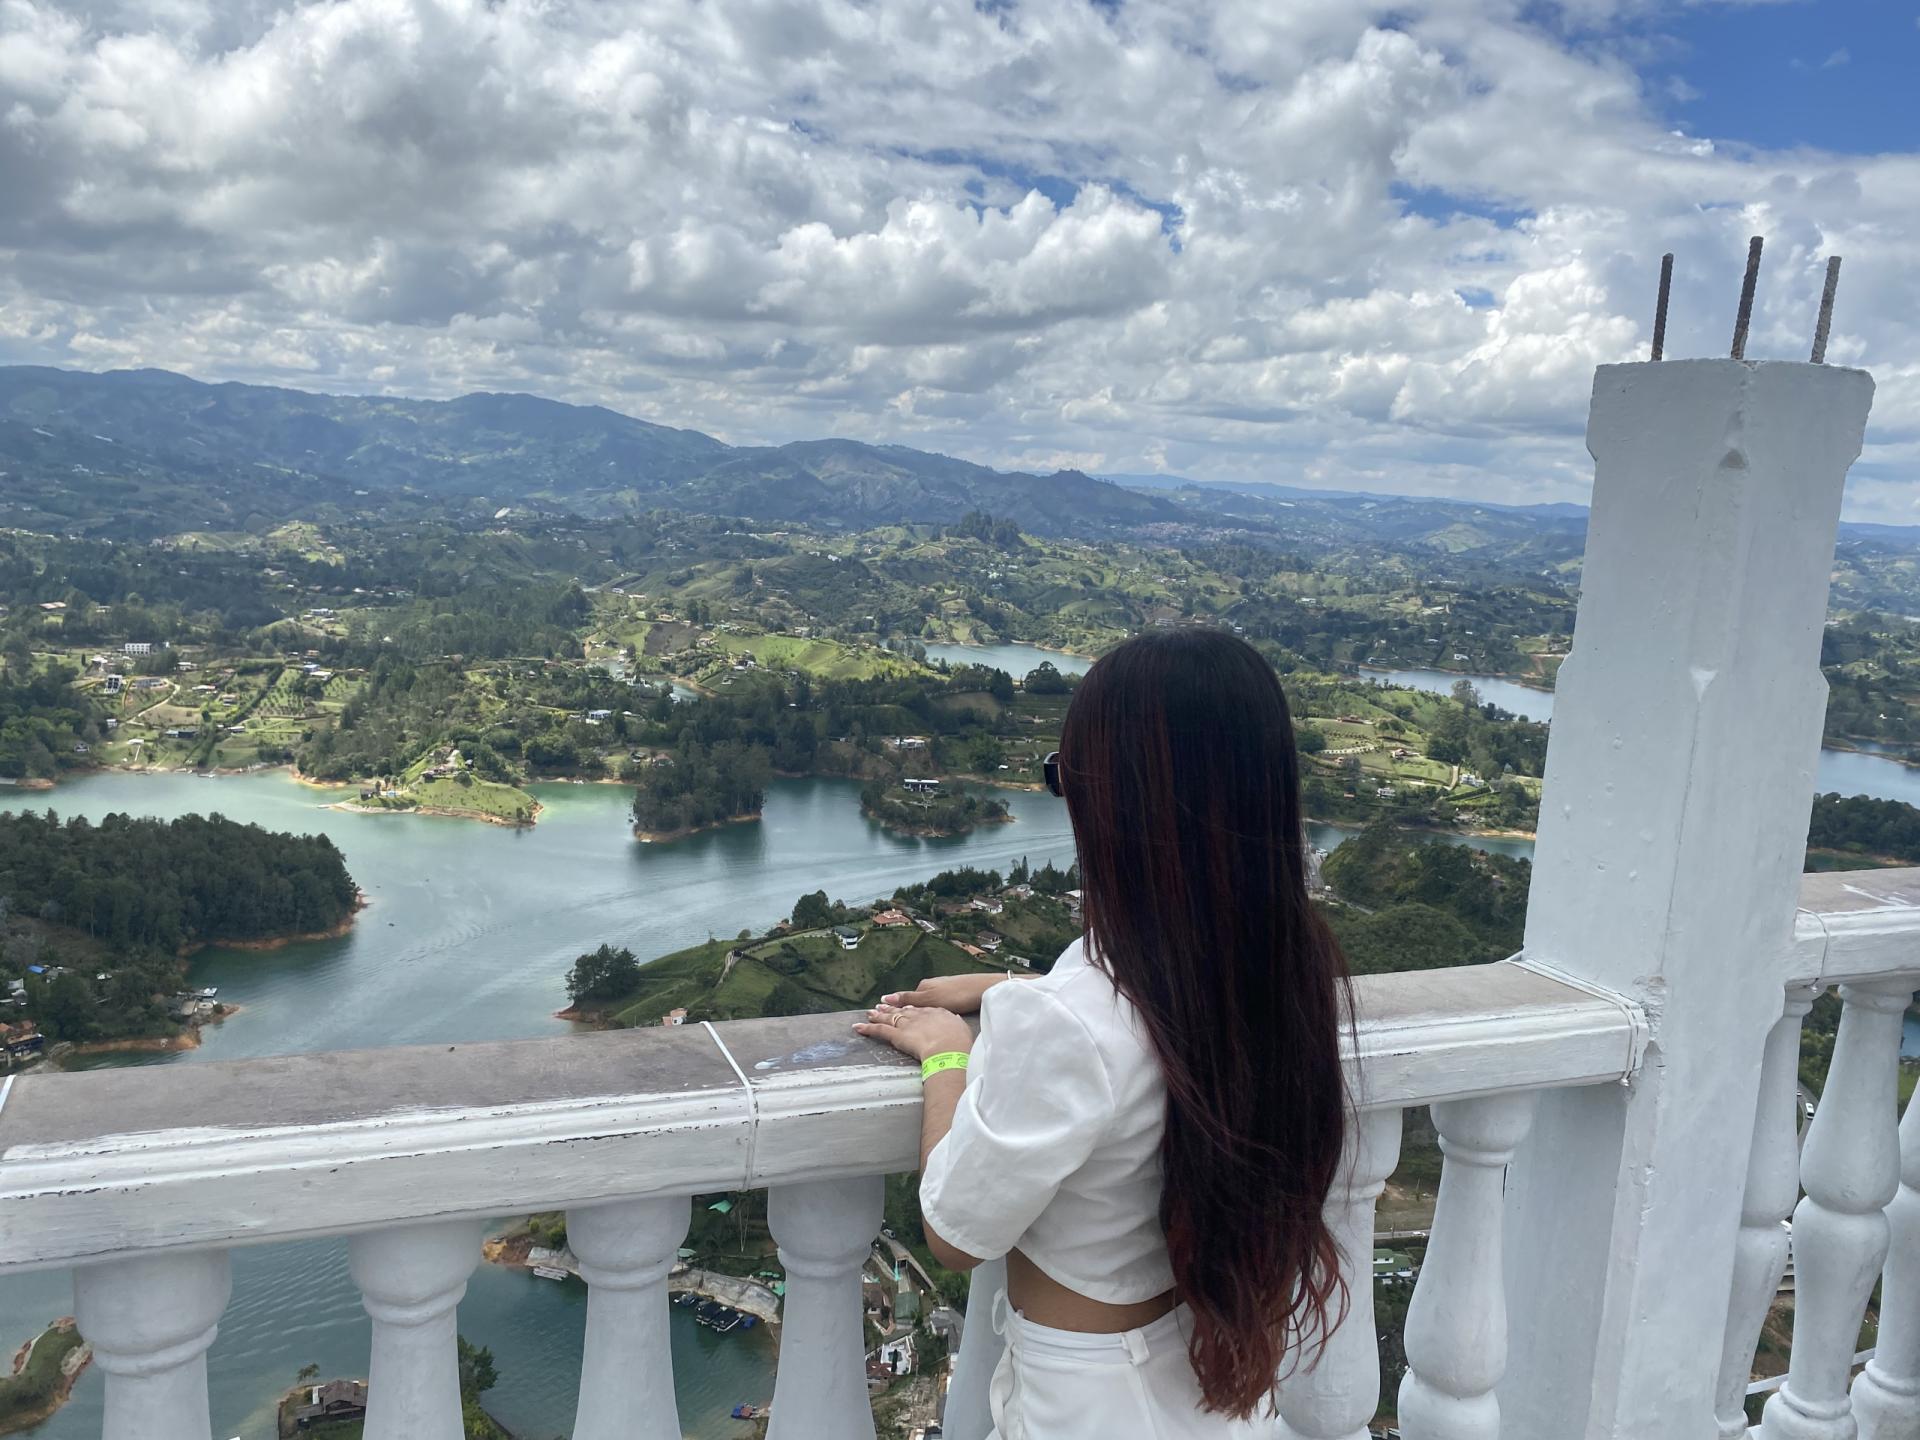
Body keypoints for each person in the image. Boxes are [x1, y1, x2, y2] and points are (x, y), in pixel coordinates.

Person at [855, 627, 1354, 1438]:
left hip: (1083, 1401)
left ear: (1109, 801)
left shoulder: (1069, 1019)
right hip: (1214, 1388)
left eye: (1062, 777)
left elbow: (953, 1232)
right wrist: (1017, 987)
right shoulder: (1285, 973)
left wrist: (945, 1051)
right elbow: (1147, 1014)